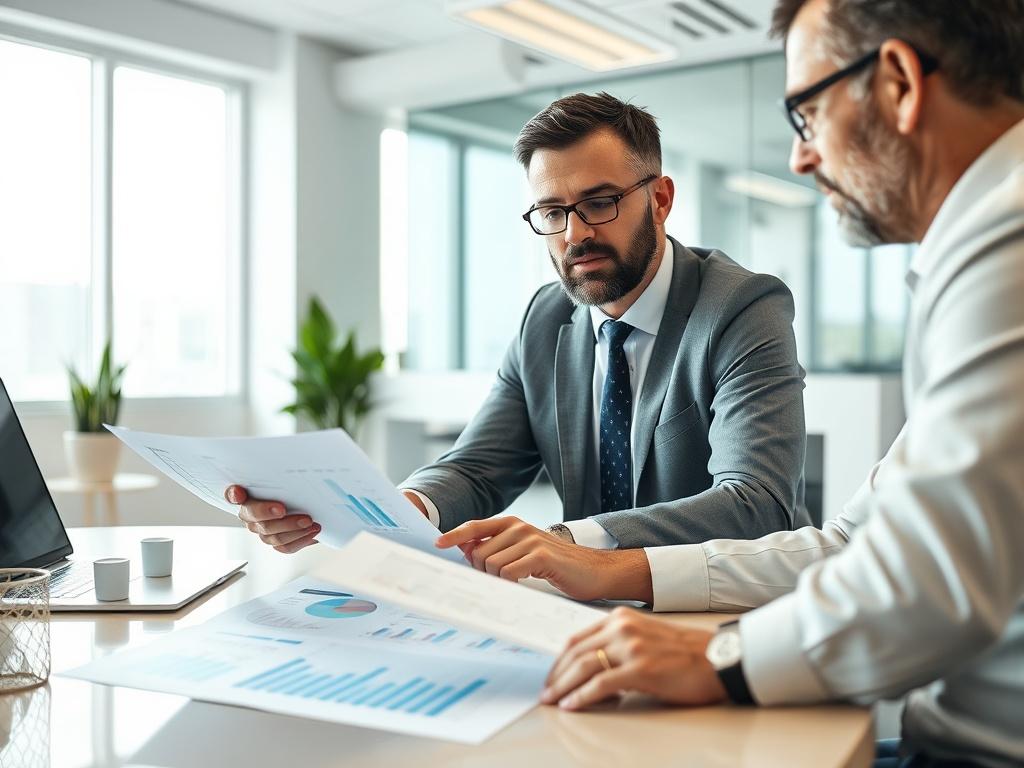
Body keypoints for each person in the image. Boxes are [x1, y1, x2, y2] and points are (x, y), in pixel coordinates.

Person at [507, 2, 1024, 766]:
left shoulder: (1004, 247)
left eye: (807, 113)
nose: (800, 159)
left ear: (899, 83)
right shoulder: (983, 242)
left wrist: (722, 661)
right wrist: (618, 566)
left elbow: (929, 586)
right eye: (553, 212)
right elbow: (853, 544)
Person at [228, 93, 809, 566]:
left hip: (723, 601)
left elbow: (756, 503)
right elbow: (478, 467)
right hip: (590, 608)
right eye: (552, 212)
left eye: (599, 202)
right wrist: (403, 510)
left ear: (660, 199)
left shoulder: (740, 306)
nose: (574, 234)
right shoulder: (547, 317)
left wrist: (571, 541)